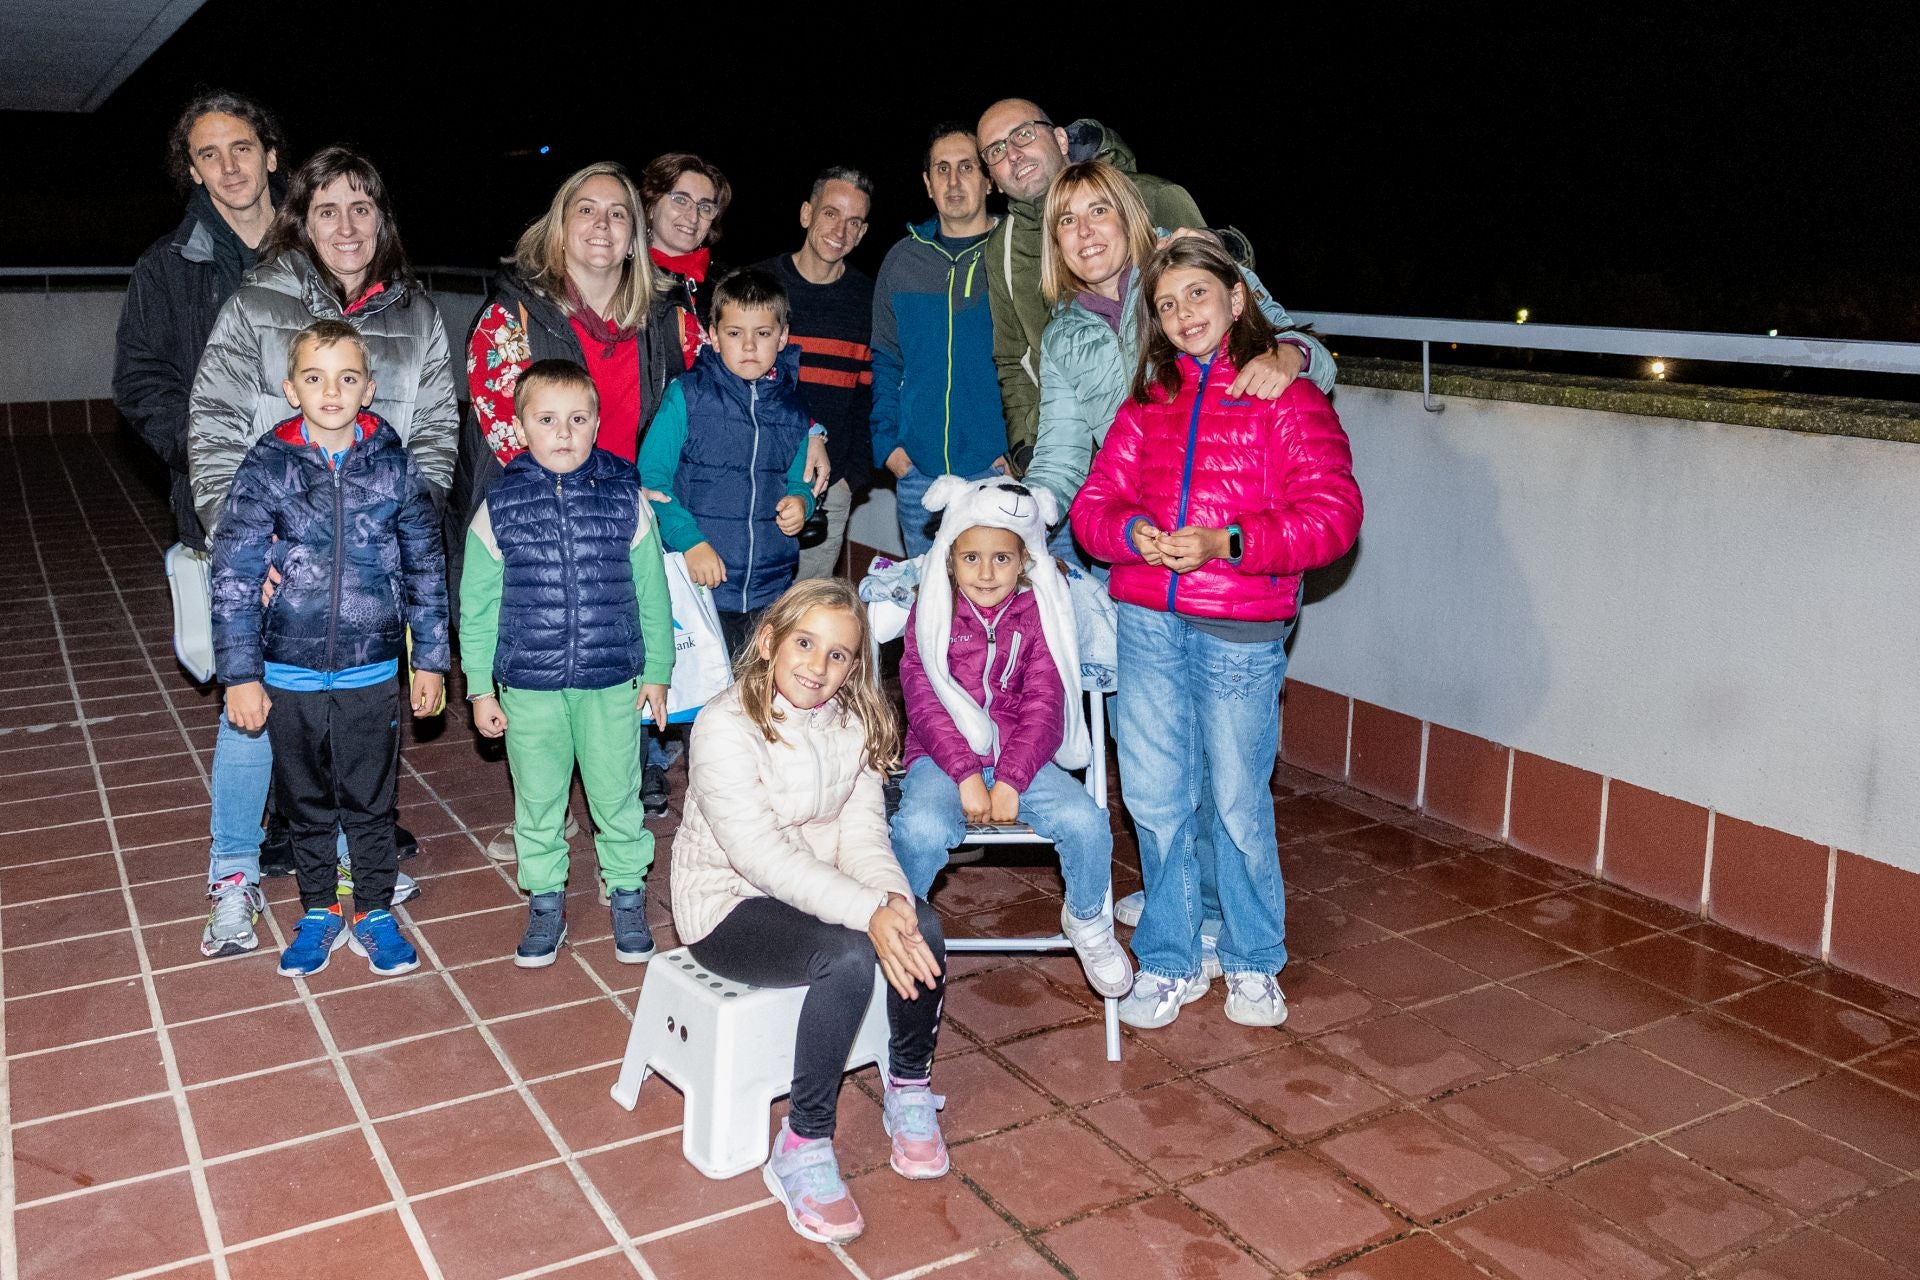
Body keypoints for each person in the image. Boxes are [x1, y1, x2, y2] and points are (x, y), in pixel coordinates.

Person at [1070, 239, 1363, 1029]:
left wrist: (1228, 543)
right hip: (1149, 624)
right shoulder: (1148, 402)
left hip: (1239, 629)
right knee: (1159, 799)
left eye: (1197, 295)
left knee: (1236, 801)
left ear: (1236, 300)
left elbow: (1334, 518)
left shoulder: (1287, 397)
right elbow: (1093, 506)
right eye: (1166, 305)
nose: (1182, 314)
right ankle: (1170, 958)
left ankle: (1252, 957)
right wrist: (1134, 533)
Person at [187, 144, 453, 956]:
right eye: (327, 208)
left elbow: (438, 432)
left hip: (369, 576)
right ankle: (234, 875)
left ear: (383, 220)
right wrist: (252, 542)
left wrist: (395, 529)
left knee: (359, 744)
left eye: (362, 208)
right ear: (301, 218)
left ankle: (352, 868)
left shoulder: (415, 313)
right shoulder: (257, 301)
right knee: (255, 719)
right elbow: (213, 425)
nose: (347, 225)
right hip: (274, 562)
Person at [670, 579, 948, 1245]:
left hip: (819, 889)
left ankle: (909, 1084)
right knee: (848, 956)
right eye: (804, 644)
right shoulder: (723, 725)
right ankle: (804, 1139)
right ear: (767, 642)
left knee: (926, 925)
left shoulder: (852, 726)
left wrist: (891, 905)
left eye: (839, 656)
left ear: (855, 666)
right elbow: (759, 856)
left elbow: (863, 840)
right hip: (728, 903)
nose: (818, 668)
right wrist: (863, 913)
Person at [209, 321, 449, 979]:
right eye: (314, 378)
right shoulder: (267, 468)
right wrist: (240, 674)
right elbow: (233, 570)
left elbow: (427, 565)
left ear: (369, 389)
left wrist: (429, 659)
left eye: (347, 378)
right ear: (291, 389)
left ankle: (373, 909)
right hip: (287, 664)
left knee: (371, 798)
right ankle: (317, 907)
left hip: (372, 666)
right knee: (305, 800)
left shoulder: (397, 469)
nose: (331, 391)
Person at [450, 161, 681, 828]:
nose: (602, 224)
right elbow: (504, 438)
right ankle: (541, 822)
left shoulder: (663, 319)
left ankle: (625, 792)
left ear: (637, 234)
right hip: (538, 531)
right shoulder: (511, 318)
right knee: (551, 675)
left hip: (626, 521)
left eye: (617, 213)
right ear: (558, 226)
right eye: (586, 209)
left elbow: (720, 388)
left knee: (622, 650)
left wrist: (807, 428)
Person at [458, 360, 674, 966]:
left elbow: (652, 593)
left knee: (617, 795)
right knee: (538, 799)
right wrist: (479, 688)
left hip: (612, 681)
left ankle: (627, 890)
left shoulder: (627, 501)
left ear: (598, 423)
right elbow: (475, 606)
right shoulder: (498, 505)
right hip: (530, 685)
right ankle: (546, 899)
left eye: (578, 419)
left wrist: (656, 670)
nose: (563, 433)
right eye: (547, 420)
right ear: (521, 425)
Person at [888, 475, 1129, 999]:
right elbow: (924, 702)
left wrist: (1013, 778)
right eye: (971, 557)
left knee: (1086, 823)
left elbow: (1046, 702)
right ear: (950, 559)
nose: (986, 571)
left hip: (1025, 753)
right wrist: (968, 775)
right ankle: (899, 925)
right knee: (920, 829)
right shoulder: (930, 614)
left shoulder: (1040, 615)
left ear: (1024, 562)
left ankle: (1087, 919)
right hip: (941, 756)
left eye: (1002, 558)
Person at [115, 90, 283, 558]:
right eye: (210, 155)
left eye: (242, 148)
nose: (228, 167)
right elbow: (140, 381)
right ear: (193, 171)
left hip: (328, 495)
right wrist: (210, 455)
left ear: (270, 157)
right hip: (221, 507)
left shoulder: (323, 249)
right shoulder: (164, 268)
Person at [637, 267, 817, 657]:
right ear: (714, 337)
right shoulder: (686, 396)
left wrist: (802, 502)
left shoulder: (795, 411)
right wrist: (690, 543)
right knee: (699, 705)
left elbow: (800, 480)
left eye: (763, 333)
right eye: (735, 333)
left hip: (771, 589)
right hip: (699, 584)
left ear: (783, 337)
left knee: (759, 701)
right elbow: (651, 482)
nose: (749, 346)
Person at [869, 124, 1007, 558]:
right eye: (941, 169)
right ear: (927, 184)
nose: (953, 180)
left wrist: (1020, 452)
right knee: (928, 608)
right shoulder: (901, 261)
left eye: (967, 167)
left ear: (989, 179)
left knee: (1005, 609)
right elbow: (886, 360)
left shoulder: (1014, 255)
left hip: (998, 470)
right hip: (919, 475)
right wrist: (888, 446)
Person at [757, 167, 876, 581]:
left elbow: (870, 401)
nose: (840, 230)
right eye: (830, 213)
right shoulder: (757, 285)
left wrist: (850, 478)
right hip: (752, 483)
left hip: (828, 492)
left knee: (807, 616)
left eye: (854, 222)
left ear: (862, 233)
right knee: (741, 615)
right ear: (807, 213)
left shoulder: (869, 302)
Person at [639, 152, 733, 363]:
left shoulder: (727, 284)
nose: (693, 216)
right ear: (652, 205)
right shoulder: (620, 274)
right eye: (681, 200)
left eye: (705, 207)